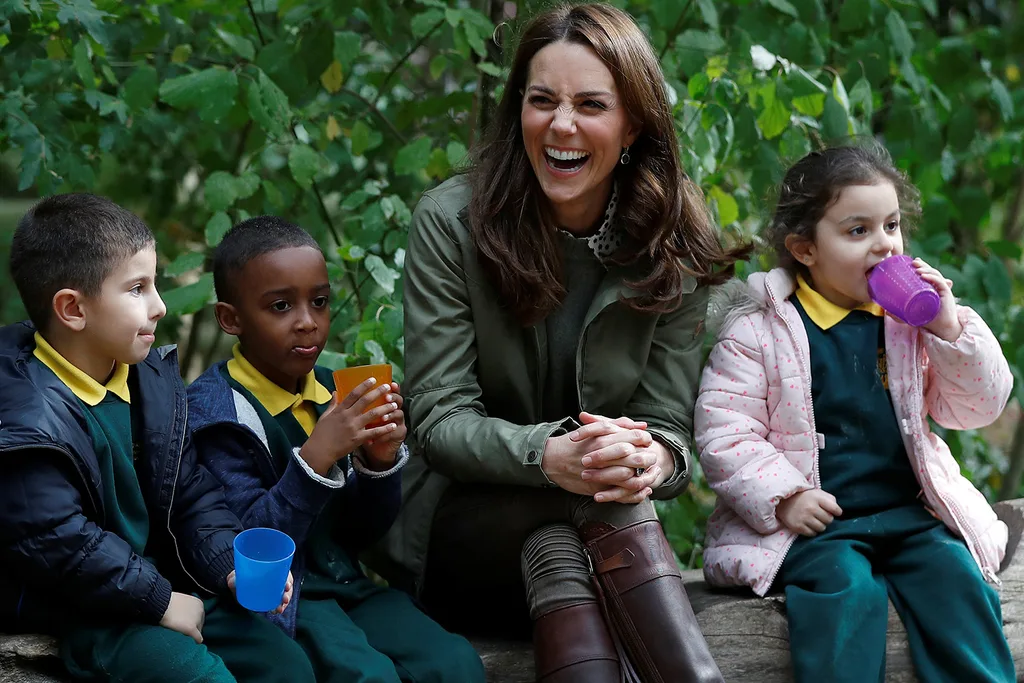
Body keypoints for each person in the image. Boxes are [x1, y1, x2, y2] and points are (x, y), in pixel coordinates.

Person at [372, 4, 747, 682]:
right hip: (457, 535)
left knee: (563, 547)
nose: (561, 125)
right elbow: (438, 422)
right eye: (541, 100)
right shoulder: (452, 223)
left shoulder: (673, 243)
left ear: (633, 122)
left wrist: (653, 458)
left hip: (585, 541)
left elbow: (668, 431)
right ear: (519, 109)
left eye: (591, 104)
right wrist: (550, 455)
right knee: (593, 499)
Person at [696, 144, 1016, 683]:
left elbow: (977, 408)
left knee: (957, 580)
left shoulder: (912, 327)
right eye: (857, 231)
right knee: (843, 592)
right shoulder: (758, 332)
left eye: (891, 225)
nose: (883, 245)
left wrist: (950, 328)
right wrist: (785, 498)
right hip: (819, 527)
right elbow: (725, 433)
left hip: (908, 513)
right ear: (804, 249)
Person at [0, 194, 310, 683]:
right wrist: (161, 601)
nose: (160, 306)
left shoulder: (150, 383)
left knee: (282, 663)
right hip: (81, 608)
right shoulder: (25, 418)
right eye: (137, 288)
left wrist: (228, 564)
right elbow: (61, 543)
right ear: (72, 309)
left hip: (152, 586)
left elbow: (190, 494)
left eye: (155, 284)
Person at [187, 216, 486, 683]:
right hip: (289, 601)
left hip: (348, 584)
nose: (307, 322)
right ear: (231, 319)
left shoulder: (334, 390)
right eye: (281, 306)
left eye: (320, 302)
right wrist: (315, 458)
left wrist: (379, 462)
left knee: (453, 662)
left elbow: (361, 533)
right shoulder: (217, 413)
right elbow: (246, 549)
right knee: (367, 675)